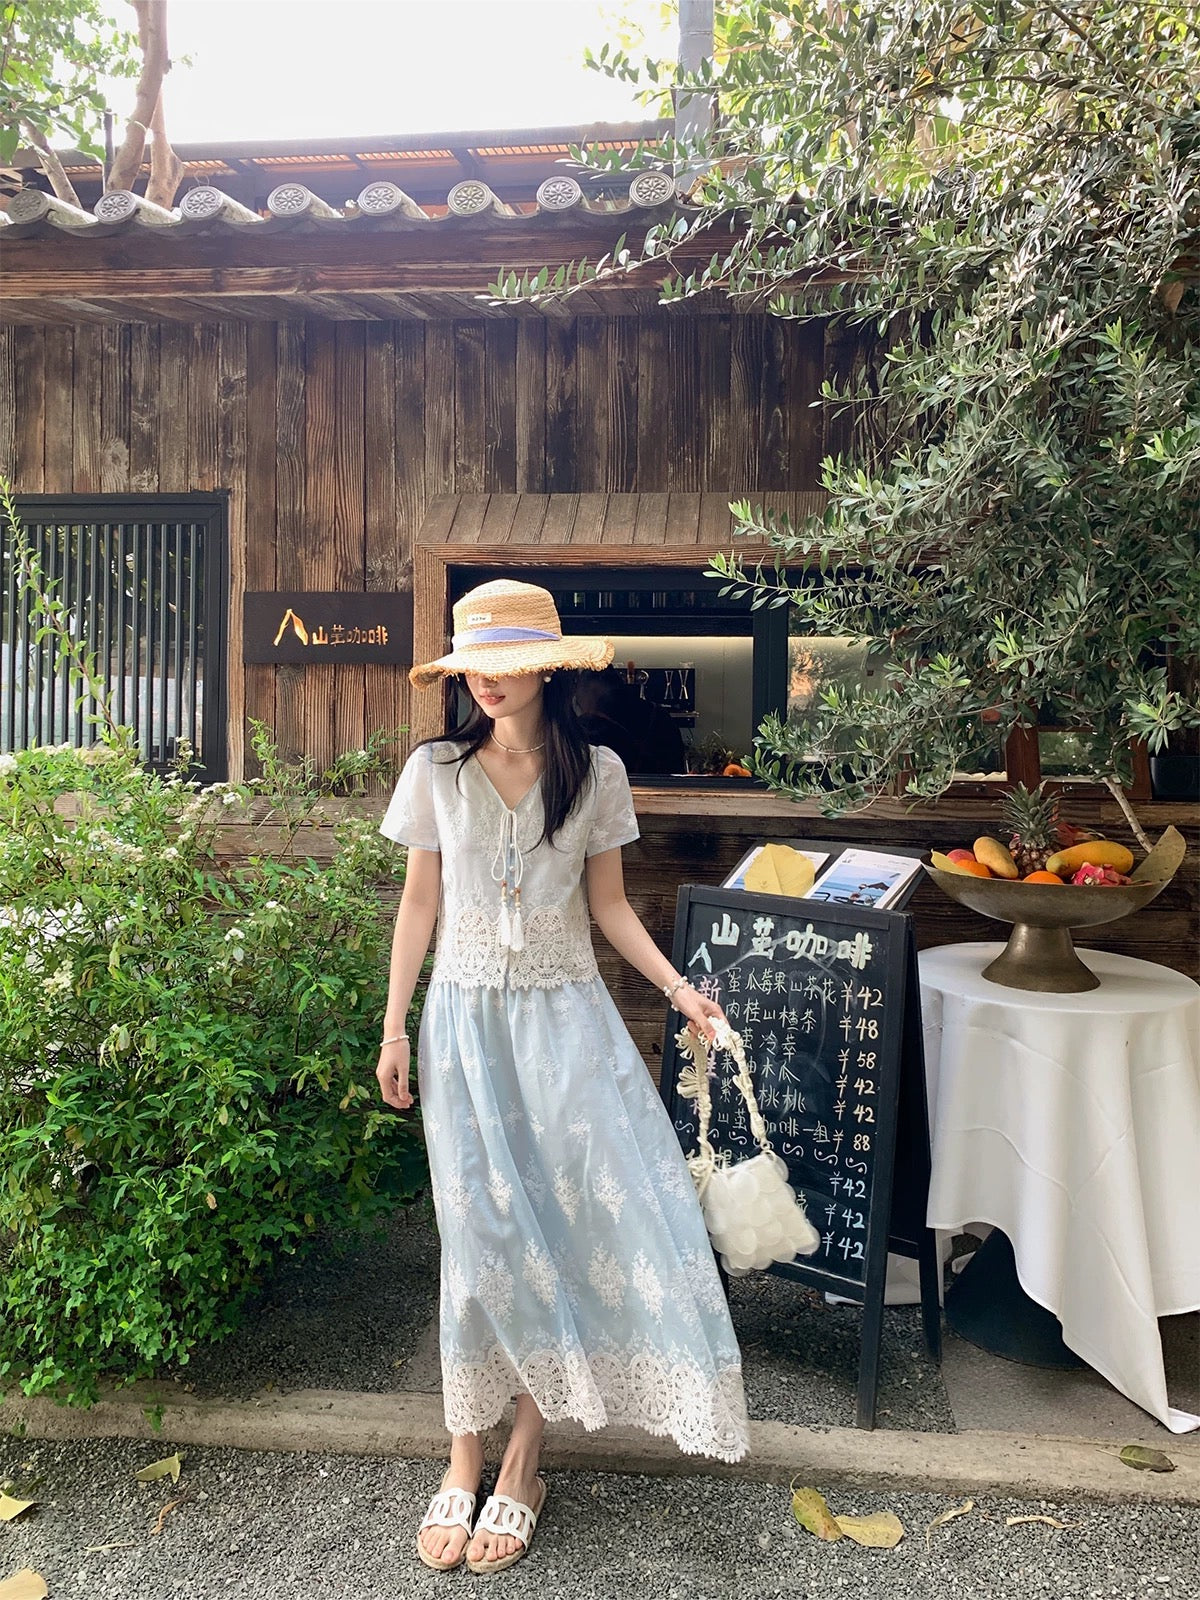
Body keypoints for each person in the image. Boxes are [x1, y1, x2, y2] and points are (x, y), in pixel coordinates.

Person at [376, 579, 749, 1576]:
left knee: (564, 1221)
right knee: (475, 1232)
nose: (489, 682)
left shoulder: (599, 773)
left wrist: (679, 989)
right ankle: (464, 1447)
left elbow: (611, 907)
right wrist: (394, 1027)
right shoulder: (436, 770)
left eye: (507, 664)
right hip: (462, 1025)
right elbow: (419, 904)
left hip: (567, 1021)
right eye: (474, 666)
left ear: (545, 668)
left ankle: (524, 1458)